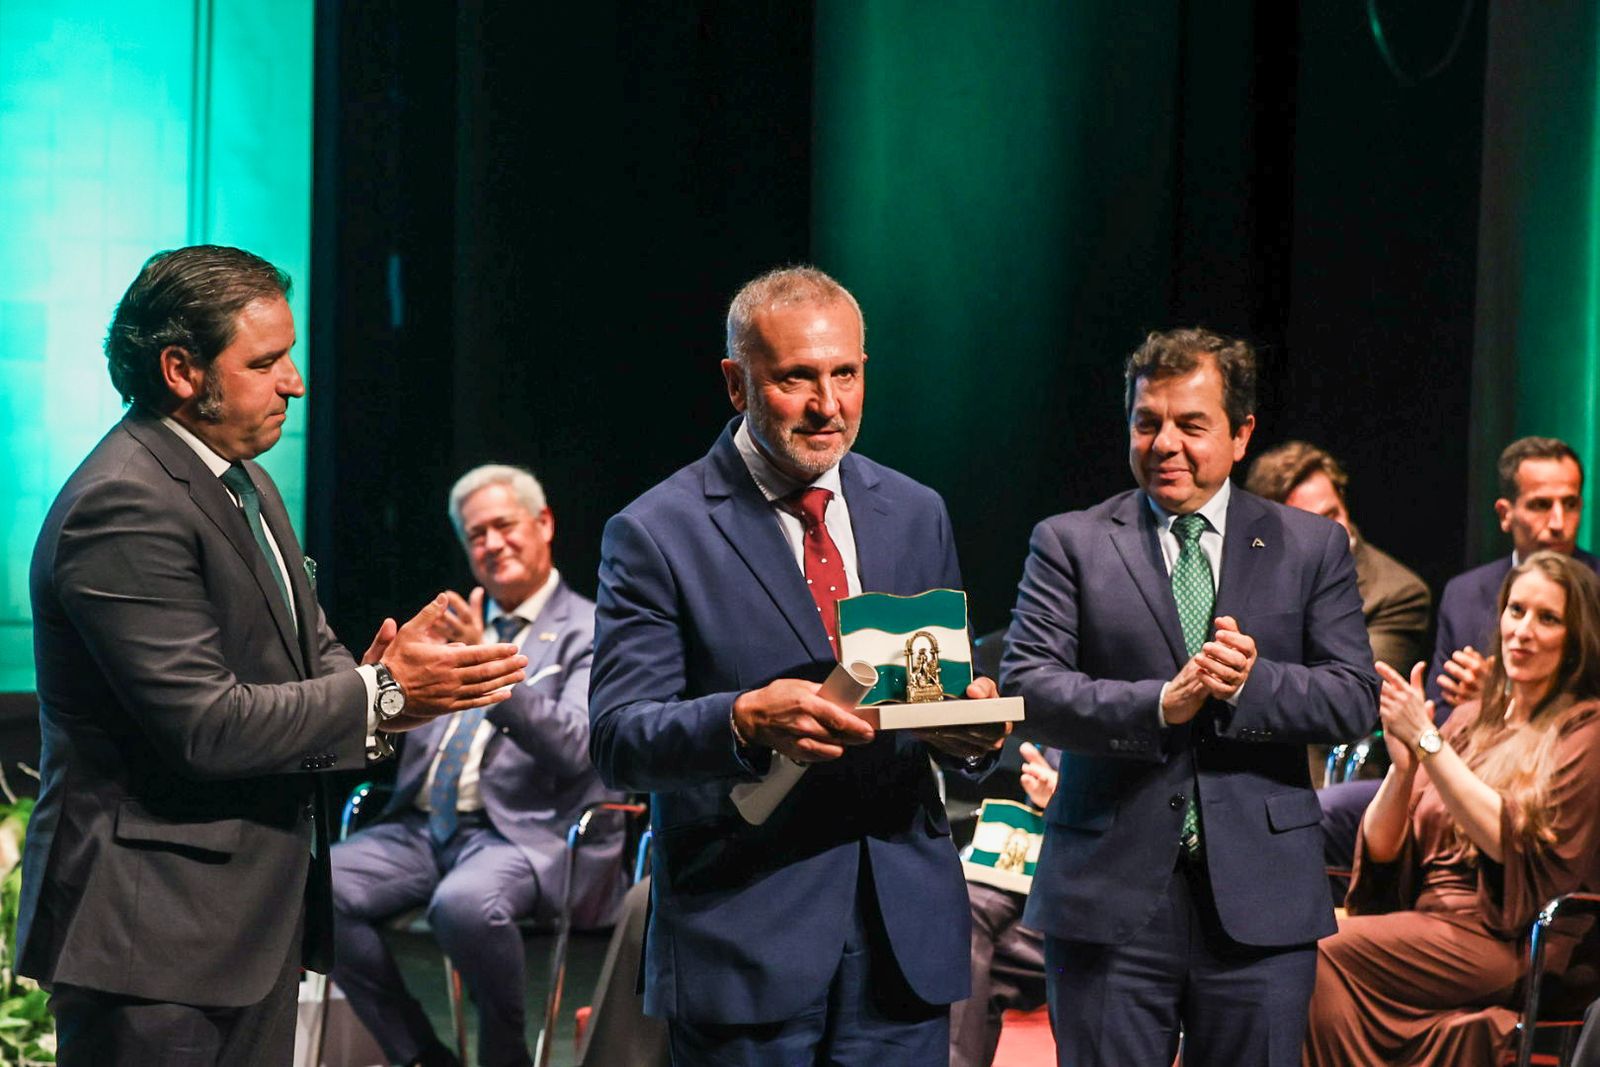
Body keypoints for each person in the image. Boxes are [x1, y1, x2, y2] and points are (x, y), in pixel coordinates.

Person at [18, 245, 528, 1067]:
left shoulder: (243, 482)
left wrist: (390, 685)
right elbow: (205, 723)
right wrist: (380, 693)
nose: (295, 380)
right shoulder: (124, 500)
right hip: (155, 945)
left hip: (245, 926)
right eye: (266, 361)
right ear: (180, 369)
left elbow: (312, 662)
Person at [588, 265, 1007, 1064]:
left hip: (902, 940)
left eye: (845, 374)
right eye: (796, 378)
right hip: (744, 937)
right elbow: (617, 737)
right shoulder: (655, 531)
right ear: (736, 384)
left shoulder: (917, 511)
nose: (828, 405)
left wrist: (972, 730)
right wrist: (743, 718)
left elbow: (933, 688)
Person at [1001, 327, 1379, 1066]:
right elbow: (1029, 687)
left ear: (1241, 434)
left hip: (1261, 903)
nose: (1165, 442)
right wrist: (1158, 706)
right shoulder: (1069, 541)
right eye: (1148, 422)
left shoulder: (1310, 546)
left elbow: (1353, 696)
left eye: (1190, 424)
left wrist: (1253, 682)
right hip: (1108, 897)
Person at [331, 464, 624, 1067]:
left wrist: (491, 675)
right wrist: (386, 689)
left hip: (526, 829)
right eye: (476, 535)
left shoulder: (592, 628)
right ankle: (419, 1055)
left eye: (503, 526)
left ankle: (505, 1055)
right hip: (421, 826)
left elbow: (577, 748)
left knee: (464, 905)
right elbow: (399, 730)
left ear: (543, 524)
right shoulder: (447, 626)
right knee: (311, 887)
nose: (491, 544)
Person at [1304, 551, 1600, 1064]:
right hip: (1427, 922)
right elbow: (1380, 847)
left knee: (1317, 947)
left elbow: (1512, 841)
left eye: (1547, 618)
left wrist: (1426, 741)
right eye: (1516, 610)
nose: (1523, 631)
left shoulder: (1584, 732)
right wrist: (1402, 769)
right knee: (1302, 966)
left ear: (1577, 640)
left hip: (1503, 938)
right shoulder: (1467, 721)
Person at [1427, 436, 1599, 712]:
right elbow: (1440, 714)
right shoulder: (1464, 595)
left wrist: (1497, 703)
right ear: (1505, 514)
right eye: (1541, 505)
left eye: (1569, 504)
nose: (1558, 523)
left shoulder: (1596, 589)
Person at [1244, 440, 1430, 673]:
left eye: (1331, 515)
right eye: (1306, 524)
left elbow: (1351, 694)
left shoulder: (1396, 595)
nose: (1326, 534)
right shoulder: (1248, 567)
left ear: (1343, 499)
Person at [949, 742, 1057, 1067]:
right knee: (958, 913)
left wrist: (1065, 802)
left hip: (1099, 890)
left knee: (976, 962)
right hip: (1028, 877)